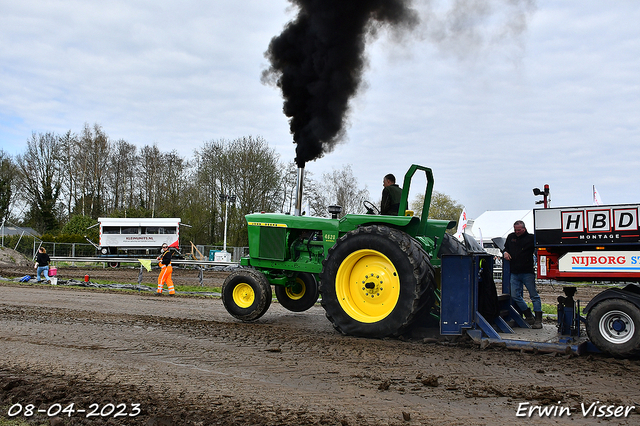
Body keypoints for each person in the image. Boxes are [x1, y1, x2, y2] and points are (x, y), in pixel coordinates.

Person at [504, 220, 542, 328]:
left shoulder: (531, 238)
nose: (517, 232)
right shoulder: (510, 237)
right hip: (514, 272)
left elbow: (538, 250)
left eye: (519, 230)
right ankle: (529, 315)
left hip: (527, 272)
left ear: (524, 229)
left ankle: (538, 320)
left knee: (533, 295)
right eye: (515, 229)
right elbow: (505, 248)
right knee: (515, 295)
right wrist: (505, 252)